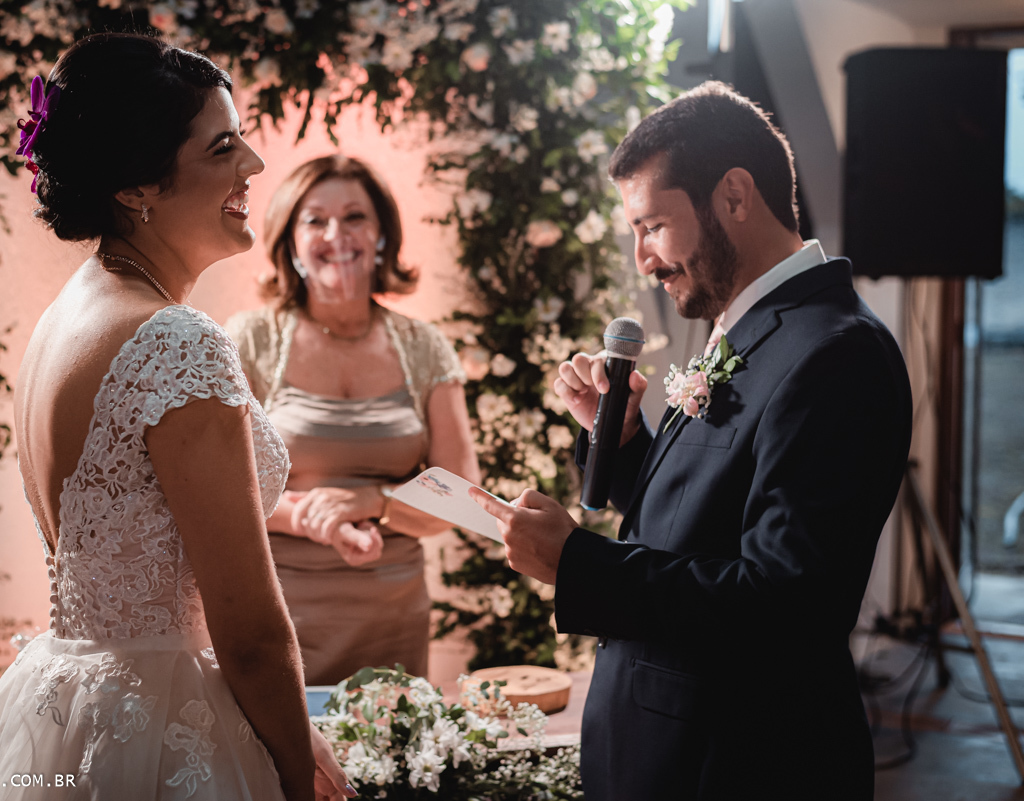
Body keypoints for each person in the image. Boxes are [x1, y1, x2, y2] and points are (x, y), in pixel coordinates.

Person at [0, 33, 354, 801]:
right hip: (162, 728)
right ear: (136, 188)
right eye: (223, 147)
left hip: (64, 695)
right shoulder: (175, 342)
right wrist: (294, 770)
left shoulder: (67, 317)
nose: (253, 165)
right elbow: (249, 633)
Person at [470, 82, 912, 799]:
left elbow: (785, 603)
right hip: (669, 750)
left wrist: (580, 565)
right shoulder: (753, 327)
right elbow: (704, 518)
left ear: (734, 197)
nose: (643, 258)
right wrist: (616, 438)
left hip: (740, 762)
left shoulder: (837, 353)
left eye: (652, 226)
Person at [226, 155, 479, 686]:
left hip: (393, 616)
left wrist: (372, 501)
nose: (336, 234)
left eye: (355, 217)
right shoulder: (250, 340)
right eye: (315, 220)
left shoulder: (424, 347)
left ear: (382, 233)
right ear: (290, 241)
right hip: (279, 612)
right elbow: (221, 490)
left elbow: (461, 496)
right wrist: (315, 516)